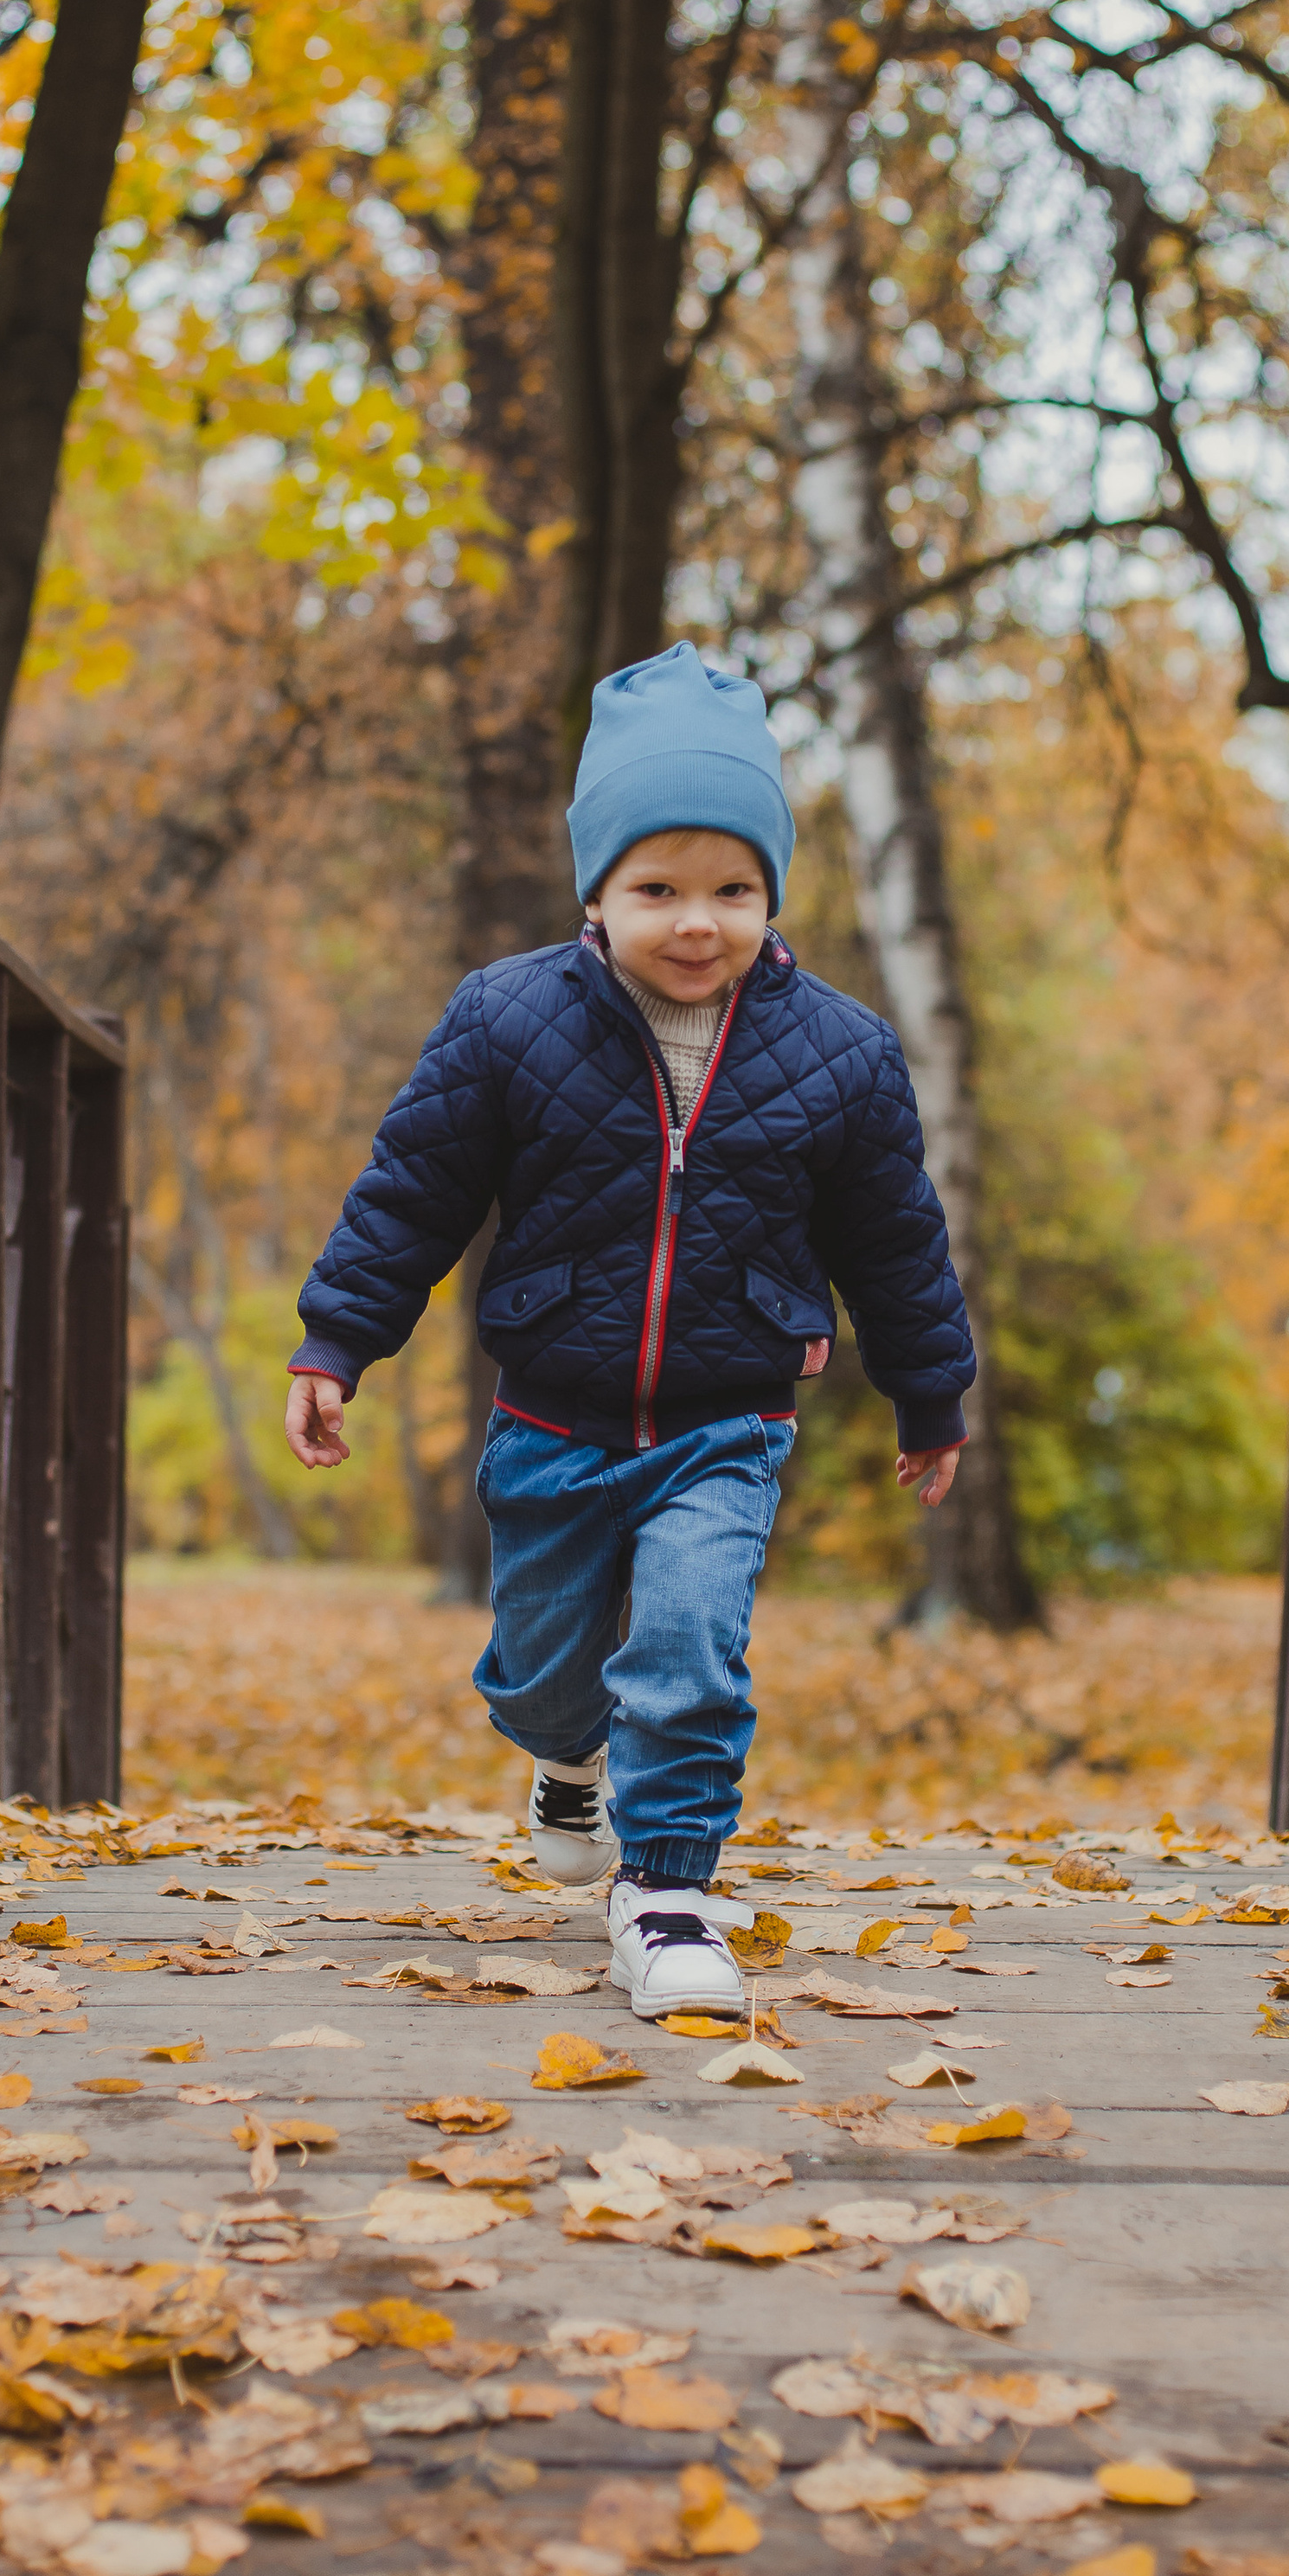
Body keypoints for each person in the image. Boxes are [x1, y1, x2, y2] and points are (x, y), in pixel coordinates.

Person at [285, 642, 974, 2020]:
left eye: (733, 887)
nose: (697, 921)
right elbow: (413, 1194)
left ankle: (666, 1895)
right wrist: (335, 1341)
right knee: (545, 1679)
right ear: (595, 891)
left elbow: (893, 1237)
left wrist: (930, 1392)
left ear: (774, 890)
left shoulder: (838, 1052)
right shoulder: (506, 1020)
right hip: (553, 1409)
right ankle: (564, 1762)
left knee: (687, 1649)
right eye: (658, 888)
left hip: (730, 1418)